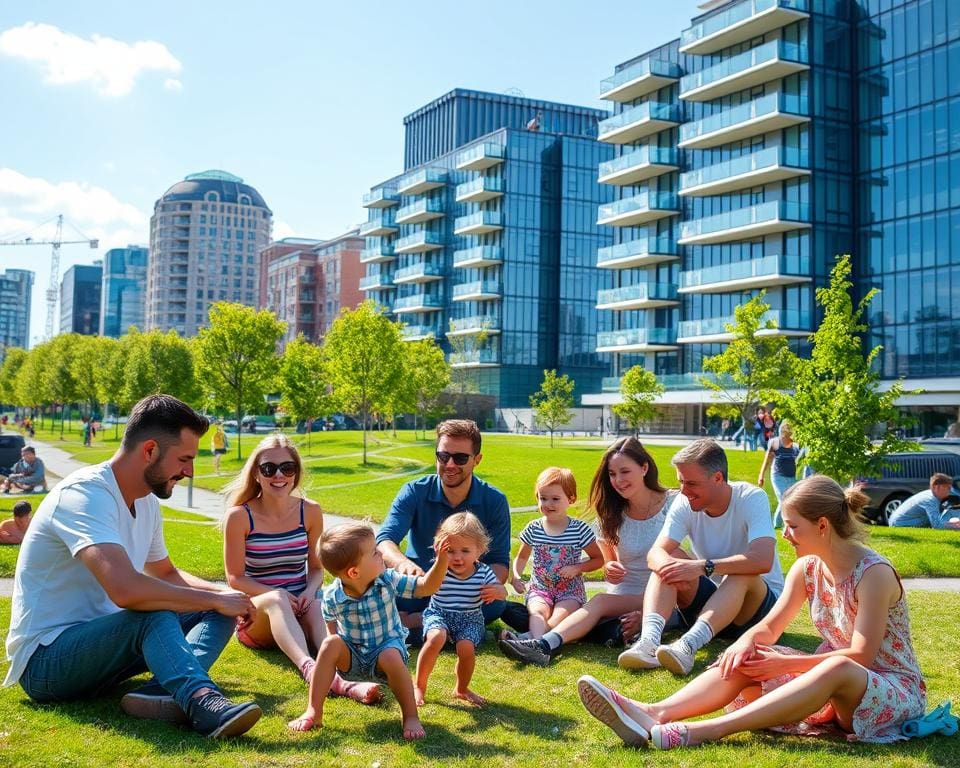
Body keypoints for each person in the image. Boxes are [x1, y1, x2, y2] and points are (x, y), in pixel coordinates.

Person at [577, 475, 926, 749]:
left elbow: (860, 657)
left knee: (836, 664)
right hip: (833, 677)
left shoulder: (874, 573)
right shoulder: (806, 568)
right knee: (750, 653)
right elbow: (769, 628)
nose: (785, 534)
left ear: (822, 525)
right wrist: (743, 645)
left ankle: (704, 732)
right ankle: (651, 714)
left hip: (889, 689)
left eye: (792, 525)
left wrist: (784, 664)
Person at [3, 394, 262, 739]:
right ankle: (201, 700)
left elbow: (166, 573)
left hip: (107, 645)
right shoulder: (85, 496)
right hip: (47, 663)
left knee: (217, 608)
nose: (189, 471)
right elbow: (125, 590)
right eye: (184, 459)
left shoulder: (147, 501)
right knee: (154, 614)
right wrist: (212, 599)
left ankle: (160, 693)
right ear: (150, 450)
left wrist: (226, 596)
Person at [222, 434, 381, 704]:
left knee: (319, 603)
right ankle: (309, 669)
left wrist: (308, 591)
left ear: (296, 473)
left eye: (287, 468)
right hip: (258, 618)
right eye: (269, 469)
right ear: (256, 475)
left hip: (301, 613)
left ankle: (342, 674)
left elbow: (317, 568)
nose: (278, 475)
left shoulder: (310, 511)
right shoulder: (239, 516)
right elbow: (235, 577)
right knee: (277, 598)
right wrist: (279, 594)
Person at [497, 438, 683, 667]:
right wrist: (610, 568)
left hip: (664, 594)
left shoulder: (673, 502)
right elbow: (608, 563)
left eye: (625, 471)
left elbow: (686, 559)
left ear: (644, 468)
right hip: (622, 597)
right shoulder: (611, 513)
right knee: (591, 614)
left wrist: (645, 611)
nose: (618, 480)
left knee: (597, 605)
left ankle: (540, 644)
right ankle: (540, 633)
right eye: (612, 474)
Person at [620, 438, 784, 676]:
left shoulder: (751, 497)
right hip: (714, 606)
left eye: (692, 483)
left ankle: (687, 646)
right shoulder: (684, 502)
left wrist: (702, 567)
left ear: (718, 478)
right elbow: (656, 553)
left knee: (742, 573)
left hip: (758, 610)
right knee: (670, 557)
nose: (683, 491)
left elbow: (762, 560)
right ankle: (648, 642)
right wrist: (673, 567)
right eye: (681, 482)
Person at [288, 521, 451, 740]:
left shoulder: (387, 580)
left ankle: (410, 716)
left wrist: (441, 561)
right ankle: (314, 711)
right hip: (353, 659)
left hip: (387, 654)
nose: (381, 554)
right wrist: (334, 656)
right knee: (330, 643)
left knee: (390, 654)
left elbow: (425, 587)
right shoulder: (332, 596)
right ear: (354, 572)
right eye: (374, 552)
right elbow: (331, 630)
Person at [375, 419, 517, 638]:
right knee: (379, 587)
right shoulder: (414, 491)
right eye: (443, 456)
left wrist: (487, 588)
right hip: (420, 584)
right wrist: (403, 564)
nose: (450, 464)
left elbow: (499, 562)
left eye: (460, 458)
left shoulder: (494, 500)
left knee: (496, 604)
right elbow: (384, 540)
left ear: (476, 460)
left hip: (465, 592)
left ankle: (413, 624)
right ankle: (449, 628)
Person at [413, 512, 505, 707]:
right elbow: (427, 585)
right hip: (439, 613)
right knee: (436, 637)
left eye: (465, 550)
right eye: (451, 550)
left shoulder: (484, 572)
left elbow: (503, 591)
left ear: (479, 550)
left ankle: (461, 688)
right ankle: (419, 685)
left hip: (470, 618)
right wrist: (439, 562)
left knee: (466, 648)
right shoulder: (441, 569)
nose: (457, 557)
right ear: (440, 549)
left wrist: (498, 591)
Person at [509, 467, 603, 639]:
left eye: (555, 499)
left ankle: (532, 639)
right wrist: (515, 576)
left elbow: (599, 559)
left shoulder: (579, 530)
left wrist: (577, 568)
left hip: (570, 592)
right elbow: (522, 557)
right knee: (537, 612)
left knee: (560, 614)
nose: (548, 504)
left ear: (571, 499)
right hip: (540, 588)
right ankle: (536, 641)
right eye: (543, 498)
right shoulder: (534, 528)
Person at [757, 421, 802, 528]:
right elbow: (766, 460)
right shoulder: (775, 443)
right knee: (784, 500)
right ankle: (777, 525)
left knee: (791, 500)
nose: (787, 434)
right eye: (786, 431)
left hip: (791, 477)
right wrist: (761, 476)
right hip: (778, 476)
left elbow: (799, 461)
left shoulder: (795, 445)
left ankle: (785, 523)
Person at [888, 473, 960, 530]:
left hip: (899, 522)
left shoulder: (932, 495)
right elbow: (937, 525)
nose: (950, 491)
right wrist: (955, 526)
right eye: (948, 488)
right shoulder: (929, 500)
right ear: (937, 487)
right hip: (900, 525)